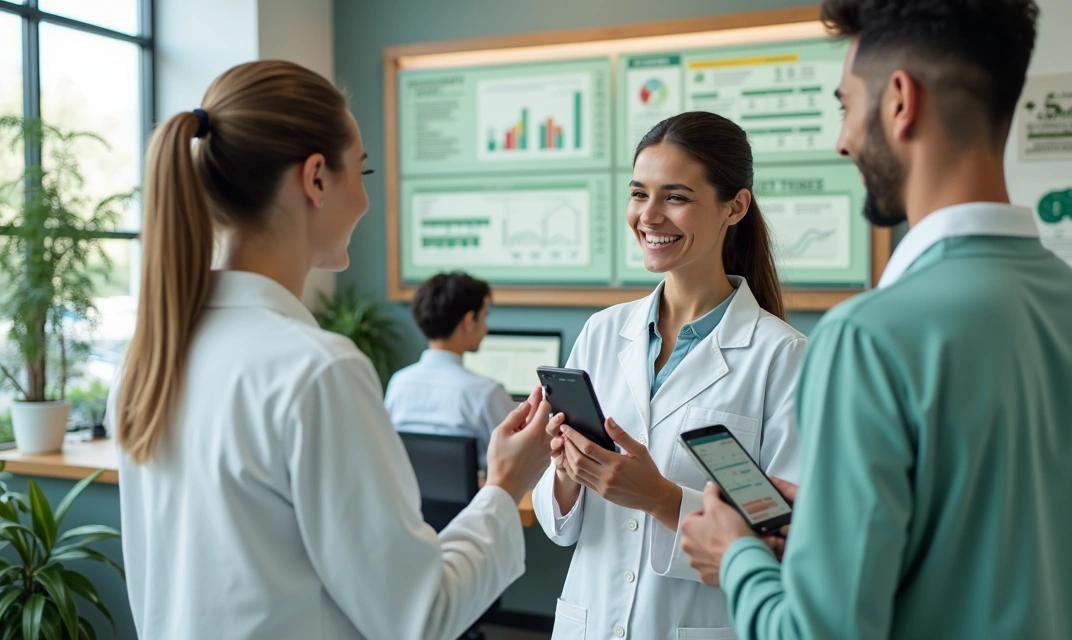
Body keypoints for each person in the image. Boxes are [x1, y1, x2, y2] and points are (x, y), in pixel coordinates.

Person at [680, 2, 1072, 639]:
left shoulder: (867, 340)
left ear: (900, 101)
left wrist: (735, 556)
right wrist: (831, 534)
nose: (843, 139)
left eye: (846, 104)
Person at [109, 60, 557, 640]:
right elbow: (420, 616)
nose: (367, 201)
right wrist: (504, 486)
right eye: (362, 171)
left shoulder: (150, 360)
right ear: (316, 178)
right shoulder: (317, 371)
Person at [531, 111, 807, 640]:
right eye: (639, 194)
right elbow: (559, 525)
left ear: (736, 207)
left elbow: (785, 541)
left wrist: (660, 497)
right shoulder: (602, 331)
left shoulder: (783, 356)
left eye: (675, 197)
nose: (649, 216)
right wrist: (568, 470)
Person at [385, 271, 515, 468]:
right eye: (484, 317)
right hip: (479, 499)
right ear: (469, 320)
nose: (486, 328)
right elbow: (520, 458)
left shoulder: (398, 383)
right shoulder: (486, 393)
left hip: (409, 498)